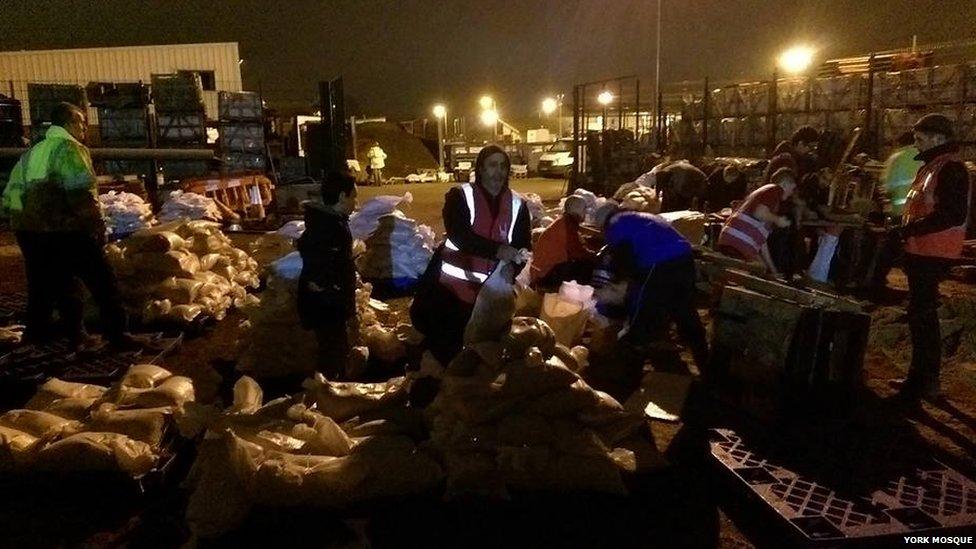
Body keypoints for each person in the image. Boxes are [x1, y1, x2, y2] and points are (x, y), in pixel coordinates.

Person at [1, 102, 143, 352]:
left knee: (44, 284)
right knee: (102, 281)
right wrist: (96, 226)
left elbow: (10, 194)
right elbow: (81, 192)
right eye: (82, 123)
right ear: (69, 123)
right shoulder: (69, 149)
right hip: (65, 228)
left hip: (29, 231)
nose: (85, 129)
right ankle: (118, 334)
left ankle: (44, 335)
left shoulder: (33, 152)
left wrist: (23, 222)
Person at [411, 144, 532, 367]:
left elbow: (524, 245)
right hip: (452, 289)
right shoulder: (460, 196)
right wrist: (497, 250)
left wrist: (514, 268)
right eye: (492, 165)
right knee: (446, 347)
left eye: (503, 166)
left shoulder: (518, 204)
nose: (499, 171)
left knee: (483, 349)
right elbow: (459, 235)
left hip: (491, 292)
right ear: (481, 169)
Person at [888, 113, 972, 402]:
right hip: (923, 250)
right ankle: (920, 378)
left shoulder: (950, 169)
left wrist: (910, 229)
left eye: (921, 139)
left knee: (923, 317)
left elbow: (952, 214)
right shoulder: (933, 167)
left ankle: (927, 381)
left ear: (939, 138)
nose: (917, 145)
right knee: (919, 315)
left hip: (933, 252)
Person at [589, 203, 709, 397]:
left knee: (641, 312)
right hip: (684, 259)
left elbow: (624, 265)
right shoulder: (639, 217)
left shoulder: (614, 225)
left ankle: (627, 378)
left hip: (659, 263)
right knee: (684, 310)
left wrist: (617, 293)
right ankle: (706, 366)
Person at [297, 170, 359, 380]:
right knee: (331, 352)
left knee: (334, 349)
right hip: (328, 306)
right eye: (353, 197)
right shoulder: (328, 227)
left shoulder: (329, 221)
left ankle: (331, 390)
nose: (355, 203)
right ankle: (328, 396)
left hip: (331, 302)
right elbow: (317, 262)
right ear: (342, 196)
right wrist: (332, 289)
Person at [716, 168, 796, 277]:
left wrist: (772, 271)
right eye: (792, 188)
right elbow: (758, 213)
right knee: (751, 276)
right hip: (738, 243)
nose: (792, 193)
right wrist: (778, 220)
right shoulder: (774, 190)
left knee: (761, 269)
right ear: (785, 184)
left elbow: (762, 243)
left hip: (731, 240)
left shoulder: (764, 196)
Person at [529, 195, 598, 289]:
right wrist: (596, 256)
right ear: (577, 209)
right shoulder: (568, 224)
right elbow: (576, 252)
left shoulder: (564, 221)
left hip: (542, 271)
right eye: (584, 209)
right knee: (587, 266)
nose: (585, 213)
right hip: (546, 274)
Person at [881, 131, 924, 219]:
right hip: (921, 210)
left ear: (900, 143)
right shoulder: (924, 156)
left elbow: (888, 187)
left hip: (901, 211)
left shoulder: (896, 158)